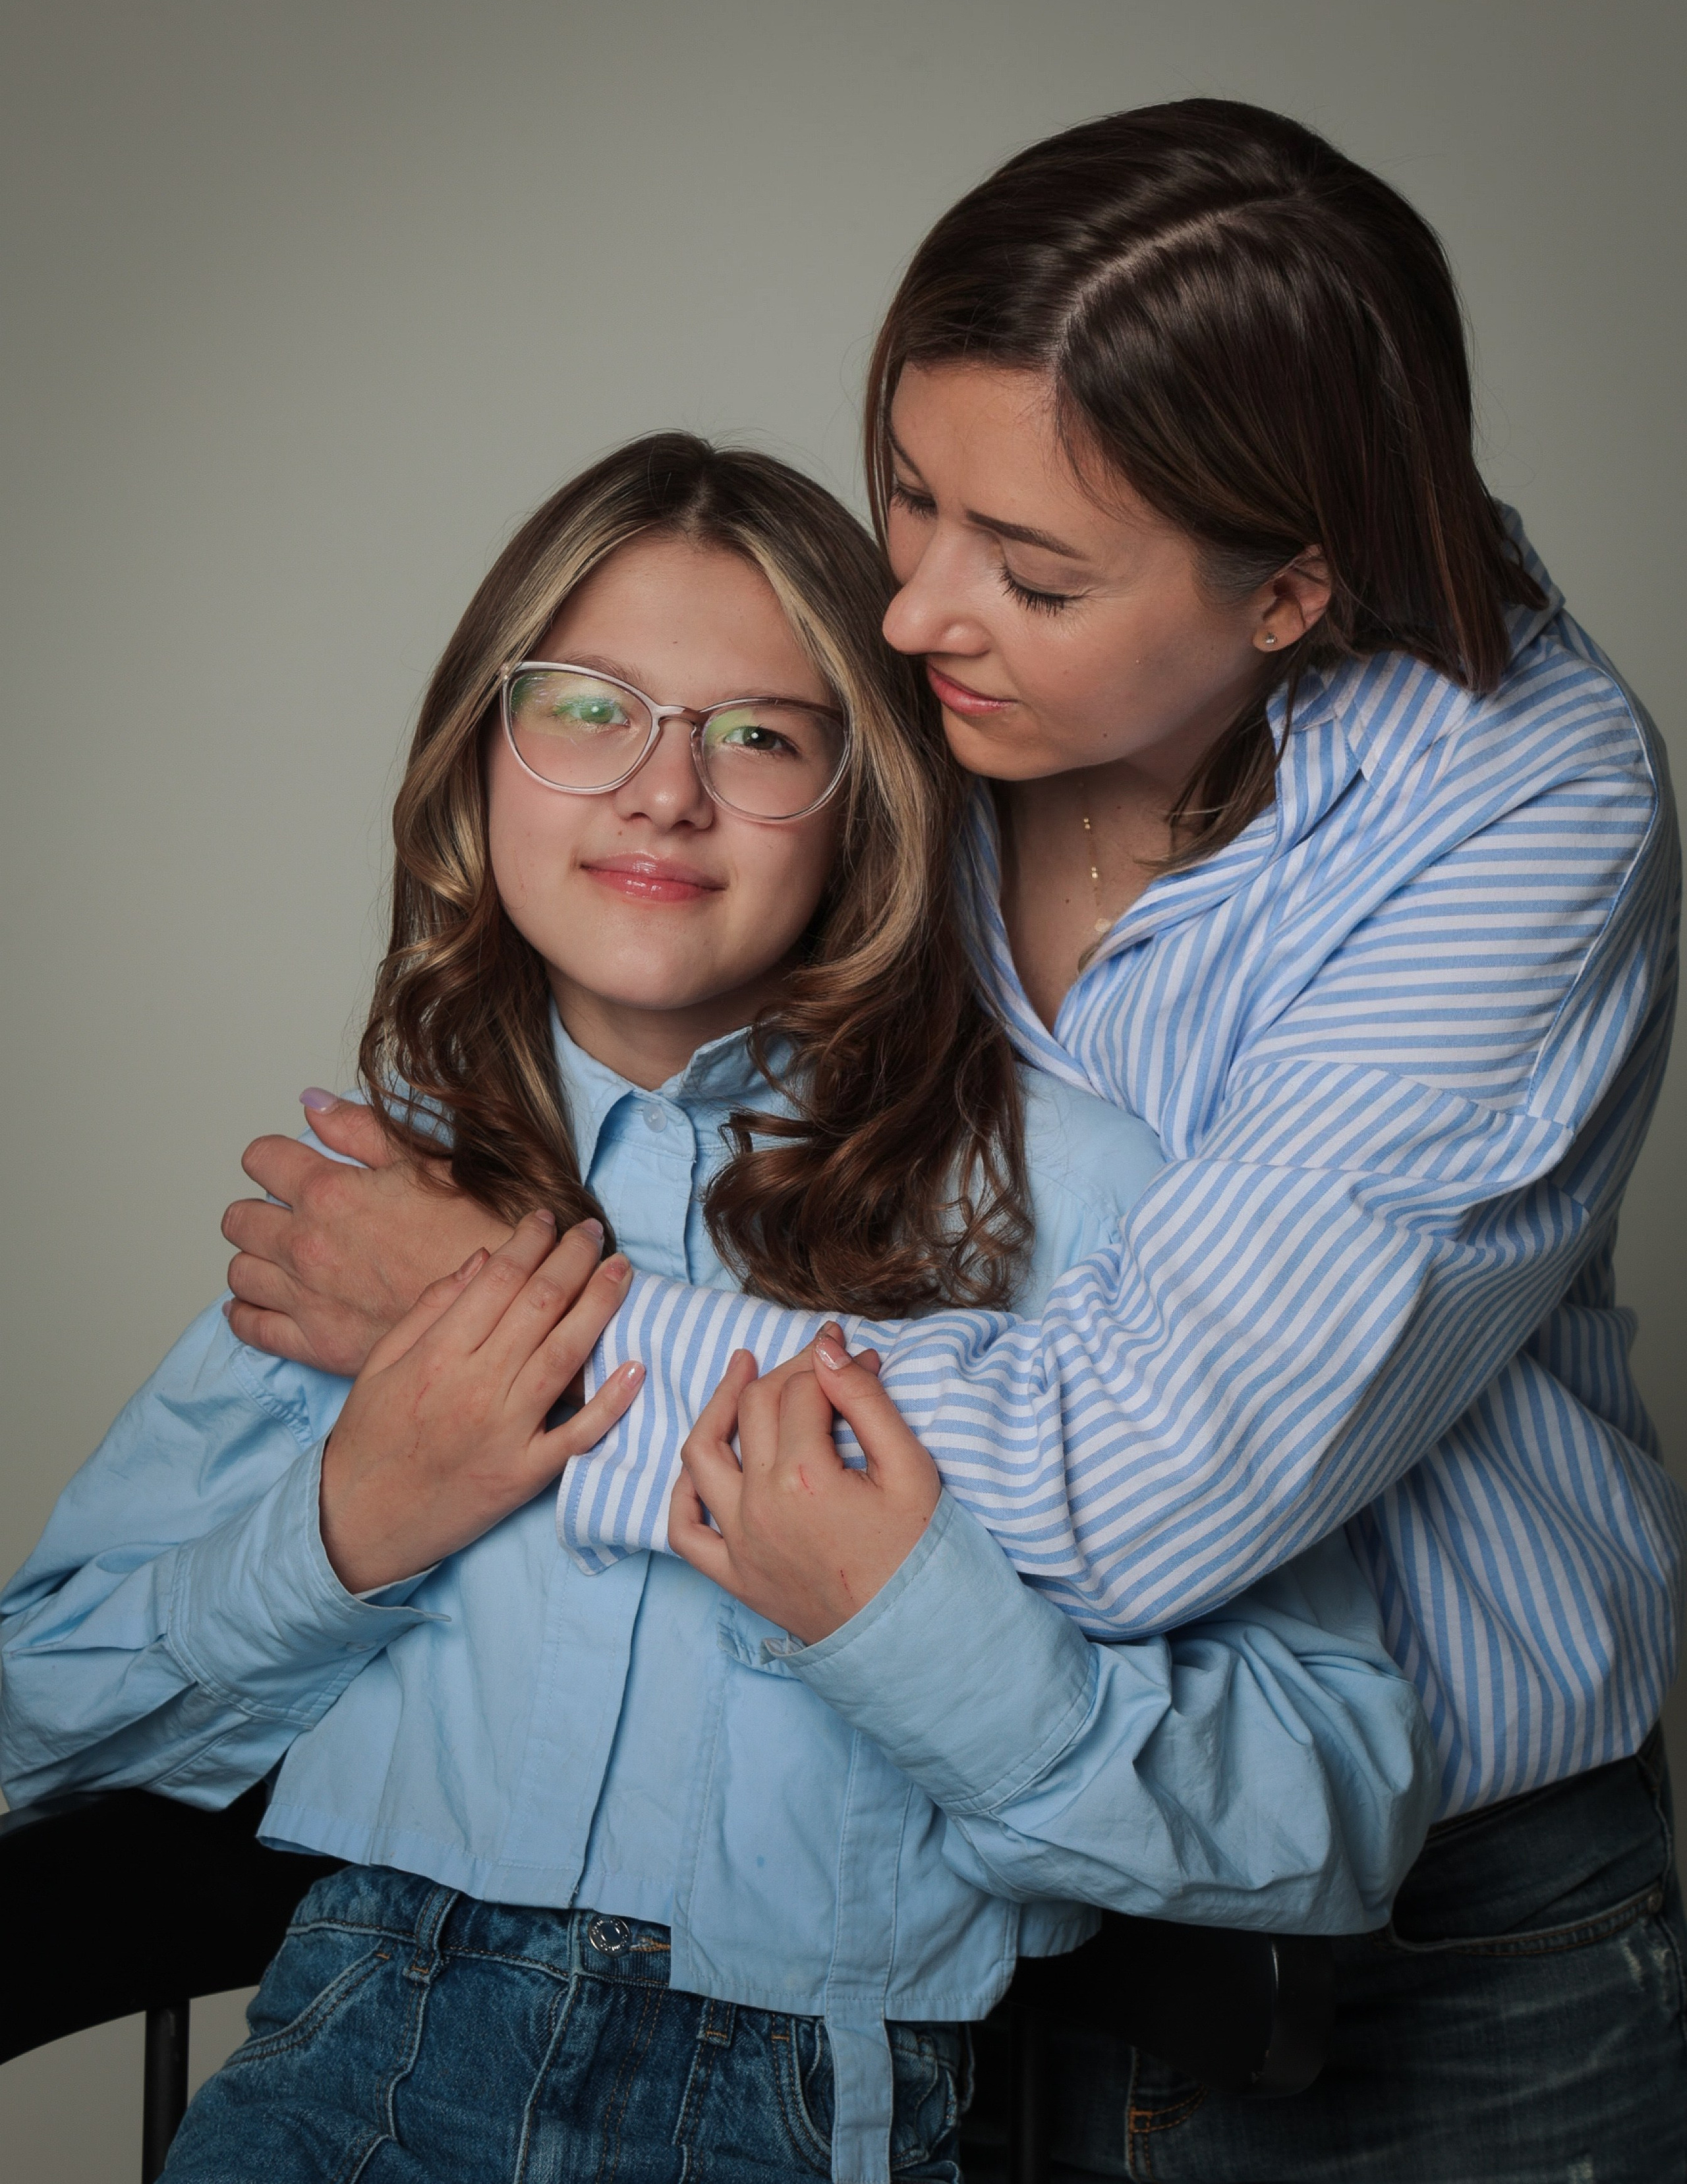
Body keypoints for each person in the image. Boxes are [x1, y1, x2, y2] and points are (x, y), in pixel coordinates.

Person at [228, 105, 1687, 2180]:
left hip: (1427, 1958)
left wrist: (498, 1335)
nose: (909, 617)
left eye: (1030, 571)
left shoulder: (1527, 824)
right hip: (913, 1921)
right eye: (910, 495)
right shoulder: (935, 677)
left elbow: (1136, 1484)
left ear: (1290, 592)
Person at [0, 435, 1434, 2184]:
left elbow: (1335, 1809)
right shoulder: (379, 1214)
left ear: (869, 796)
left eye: (760, 735)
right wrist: (338, 1538)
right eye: (589, 707)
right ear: (483, 757)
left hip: (816, 2112)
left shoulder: (1083, 1201)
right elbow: (33, 1721)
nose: (664, 793)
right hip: (349, 2066)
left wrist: (914, 1629)